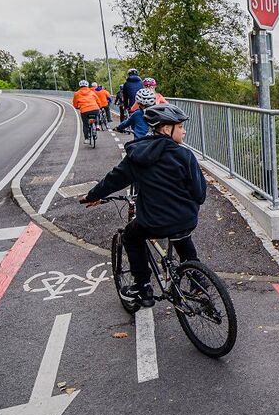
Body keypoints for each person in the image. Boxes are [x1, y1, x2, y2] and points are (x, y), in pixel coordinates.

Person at [83, 104, 207, 308]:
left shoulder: (136, 156)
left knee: (131, 237)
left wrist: (92, 196)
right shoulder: (185, 156)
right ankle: (198, 279)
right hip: (186, 218)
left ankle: (143, 287)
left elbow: (113, 180)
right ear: (167, 129)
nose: (184, 131)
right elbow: (200, 195)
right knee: (181, 234)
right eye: (180, 126)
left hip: (155, 222)